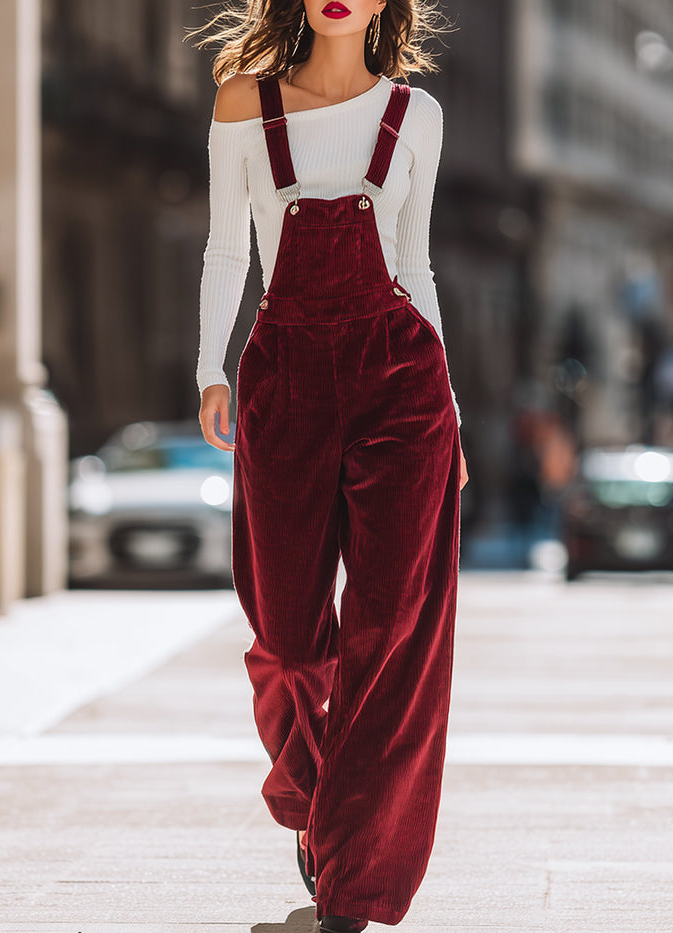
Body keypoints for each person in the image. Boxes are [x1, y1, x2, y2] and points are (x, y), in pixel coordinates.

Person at [191, 0, 469, 928]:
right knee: (286, 640)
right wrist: (210, 368)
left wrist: (453, 412)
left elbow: (415, 267)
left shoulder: (416, 115)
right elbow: (226, 245)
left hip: (403, 384)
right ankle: (319, 806)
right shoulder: (245, 101)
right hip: (284, 378)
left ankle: (355, 880)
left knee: (391, 631)